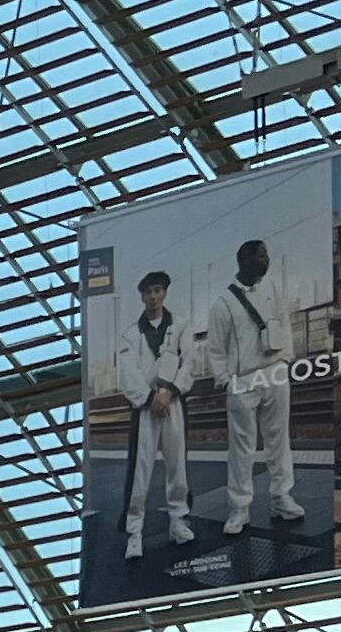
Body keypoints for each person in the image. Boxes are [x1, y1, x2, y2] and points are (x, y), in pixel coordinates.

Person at [202, 237, 301, 533]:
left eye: (267, 255)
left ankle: (282, 497)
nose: (266, 259)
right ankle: (239, 508)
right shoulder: (223, 302)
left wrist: (285, 361)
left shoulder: (272, 289)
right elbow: (216, 348)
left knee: (278, 439)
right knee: (242, 447)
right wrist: (226, 380)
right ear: (244, 260)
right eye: (261, 255)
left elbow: (284, 324)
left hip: (274, 372)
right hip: (243, 378)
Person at [112, 266, 199, 564]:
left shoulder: (182, 326)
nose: (153, 297)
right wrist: (151, 398)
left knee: (178, 465)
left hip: (173, 403)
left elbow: (189, 363)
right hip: (146, 409)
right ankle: (134, 531)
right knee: (140, 470)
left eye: (157, 291)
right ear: (142, 296)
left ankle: (178, 520)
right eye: (148, 292)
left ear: (165, 292)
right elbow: (128, 375)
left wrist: (170, 392)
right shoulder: (130, 334)